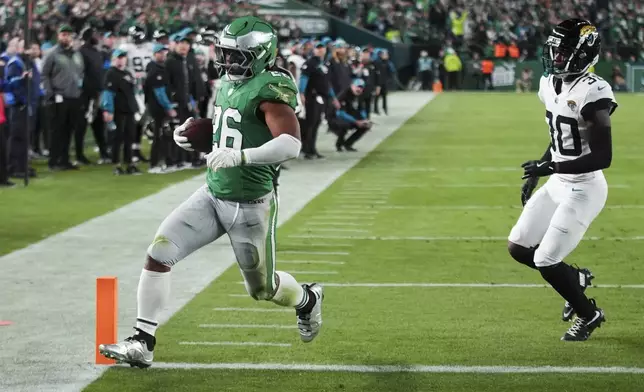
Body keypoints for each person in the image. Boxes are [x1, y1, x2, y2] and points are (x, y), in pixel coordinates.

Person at [99, 16, 323, 369]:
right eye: (226, 54)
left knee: (262, 290)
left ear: (261, 55)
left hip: (251, 204)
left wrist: (241, 156)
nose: (229, 62)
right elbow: (225, 132)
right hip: (213, 192)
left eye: (238, 56)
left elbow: (291, 144)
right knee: (159, 253)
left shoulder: (271, 87)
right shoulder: (229, 83)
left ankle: (307, 300)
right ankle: (143, 341)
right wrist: (191, 136)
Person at [508, 19, 616, 341]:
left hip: (584, 187)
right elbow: (560, 140)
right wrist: (542, 167)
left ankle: (589, 313)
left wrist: (551, 169)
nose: (556, 58)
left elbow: (603, 157)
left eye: (564, 51)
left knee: (545, 258)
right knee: (518, 247)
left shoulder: (594, 92)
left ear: (584, 54)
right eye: (555, 51)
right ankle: (576, 279)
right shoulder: (548, 84)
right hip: (558, 181)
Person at [42, 24, 84, 171]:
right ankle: (54, 161)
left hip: (74, 96)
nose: (66, 37)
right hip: (58, 97)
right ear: (58, 36)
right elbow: (44, 75)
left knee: (69, 130)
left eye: (68, 34)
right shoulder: (51, 53)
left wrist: (79, 90)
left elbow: (81, 73)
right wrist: (50, 94)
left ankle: (65, 160)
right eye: (63, 34)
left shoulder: (76, 54)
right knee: (56, 130)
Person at [101, 49, 140, 175]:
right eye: (118, 57)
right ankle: (116, 164)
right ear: (114, 59)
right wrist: (108, 110)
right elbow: (108, 93)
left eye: (123, 57)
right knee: (117, 138)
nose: (121, 59)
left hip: (129, 109)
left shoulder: (128, 72)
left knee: (130, 137)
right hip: (118, 110)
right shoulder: (111, 73)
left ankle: (129, 163)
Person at [4, 39, 40, 179]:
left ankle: (23, 165)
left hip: (29, 103)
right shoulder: (16, 63)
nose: (31, 50)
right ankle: (14, 167)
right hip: (20, 105)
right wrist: (23, 100)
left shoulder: (28, 63)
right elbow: (12, 84)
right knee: (18, 137)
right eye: (28, 48)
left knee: (26, 137)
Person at [299, 41, 339, 159]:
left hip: (323, 97)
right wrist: (301, 93)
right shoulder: (310, 63)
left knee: (316, 123)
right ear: (314, 50)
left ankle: (312, 148)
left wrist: (333, 97)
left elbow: (328, 83)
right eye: (318, 48)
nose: (320, 50)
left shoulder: (325, 64)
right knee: (310, 124)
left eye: (322, 48)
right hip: (312, 96)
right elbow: (303, 78)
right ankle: (306, 150)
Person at [144, 43, 176, 173]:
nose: (163, 54)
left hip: (158, 107)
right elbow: (159, 93)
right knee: (158, 136)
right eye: (160, 52)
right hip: (157, 108)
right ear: (155, 53)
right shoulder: (155, 69)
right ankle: (154, 164)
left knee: (163, 136)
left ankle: (164, 162)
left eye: (164, 52)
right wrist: (169, 107)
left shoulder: (159, 67)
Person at [77, 25, 106, 164]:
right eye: (95, 34)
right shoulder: (81, 52)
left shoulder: (96, 52)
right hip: (86, 94)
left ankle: (104, 152)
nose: (98, 37)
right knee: (81, 124)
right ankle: (79, 154)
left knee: (99, 124)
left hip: (97, 93)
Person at [328, 78, 371, 152]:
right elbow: (340, 113)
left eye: (361, 87)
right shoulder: (344, 94)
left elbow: (362, 109)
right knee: (345, 125)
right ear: (352, 86)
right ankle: (339, 144)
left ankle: (348, 144)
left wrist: (364, 120)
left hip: (349, 117)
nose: (359, 89)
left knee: (366, 126)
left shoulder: (360, 95)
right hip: (334, 119)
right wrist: (356, 121)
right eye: (357, 86)